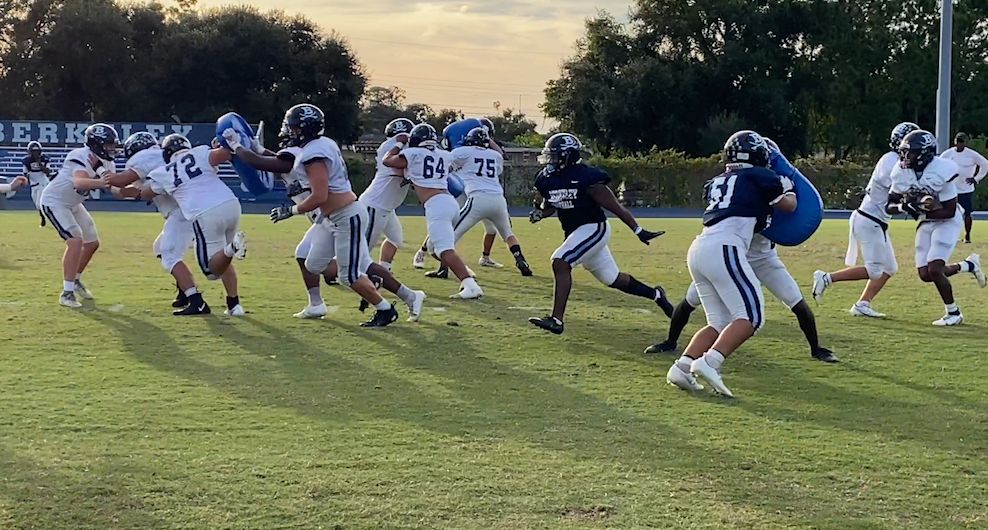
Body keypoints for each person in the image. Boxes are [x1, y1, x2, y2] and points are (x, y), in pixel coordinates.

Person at [266, 104, 426, 326]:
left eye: (293, 128)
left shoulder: (313, 153)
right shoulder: (322, 144)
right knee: (312, 263)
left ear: (305, 129)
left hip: (346, 217)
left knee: (348, 275)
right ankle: (370, 280)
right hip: (331, 218)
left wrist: (291, 210)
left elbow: (320, 195)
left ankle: (385, 309)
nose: (290, 132)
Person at [665, 130, 797, 398]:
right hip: (725, 247)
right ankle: (711, 361)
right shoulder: (761, 176)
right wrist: (788, 187)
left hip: (699, 248)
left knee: (719, 321)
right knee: (752, 317)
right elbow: (789, 206)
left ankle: (683, 366)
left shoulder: (717, 181)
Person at [527, 133, 674, 335]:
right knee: (612, 279)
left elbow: (615, 207)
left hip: (594, 228)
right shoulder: (546, 179)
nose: (551, 160)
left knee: (560, 261)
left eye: (555, 156)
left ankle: (556, 320)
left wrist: (638, 230)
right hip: (575, 233)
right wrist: (540, 214)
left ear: (568, 156)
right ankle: (657, 294)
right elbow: (552, 206)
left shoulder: (588, 178)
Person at [648, 232, 838, 363]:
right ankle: (671, 341)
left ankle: (816, 348)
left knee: (797, 302)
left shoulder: (771, 189)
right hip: (730, 257)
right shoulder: (746, 193)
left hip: (764, 259)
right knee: (690, 300)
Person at [224, 126, 347, 319]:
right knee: (305, 256)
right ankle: (316, 304)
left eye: (293, 129)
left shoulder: (302, 155)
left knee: (351, 268)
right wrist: (256, 148)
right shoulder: (302, 154)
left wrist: (236, 145)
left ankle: (393, 289)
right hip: (324, 217)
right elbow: (275, 159)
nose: (287, 134)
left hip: (333, 216)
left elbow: (261, 163)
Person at [811, 122, 918, 317]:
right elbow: (900, 188)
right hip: (869, 219)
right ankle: (826, 278)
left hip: (877, 220)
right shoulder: (890, 160)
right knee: (875, 270)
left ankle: (862, 304)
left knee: (889, 268)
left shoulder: (899, 162)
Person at [141, 134, 247, 316]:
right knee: (222, 258)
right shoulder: (201, 152)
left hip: (204, 212)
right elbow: (226, 154)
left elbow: (145, 193)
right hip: (231, 204)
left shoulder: (165, 171)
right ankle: (234, 305)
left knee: (212, 270)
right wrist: (224, 142)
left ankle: (232, 248)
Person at [887, 130, 985, 326]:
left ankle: (954, 313)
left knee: (934, 268)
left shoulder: (943, 169)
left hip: (947, 221)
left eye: (911, 152)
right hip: (927, 221)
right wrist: (903, 207)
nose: (906, 157)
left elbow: (948, 211)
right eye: (904, 152)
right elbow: (889, 205)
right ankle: (968, 265)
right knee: (925, 274)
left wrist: (918, 210)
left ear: (925, 153)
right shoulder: (901, 171)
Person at [384, 123, 484, 299]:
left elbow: (388, 160)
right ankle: (463, 271)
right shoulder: (444, 155)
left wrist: (399, 144)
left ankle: (470, 284)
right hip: (450, 202)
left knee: (445, 249)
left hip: (436, 205)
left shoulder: (412, 153)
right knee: (435, 248)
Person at [102, 132, 199, 312]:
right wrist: (117, 189)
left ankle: (195, 300)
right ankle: (185, 289)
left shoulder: (145, 157)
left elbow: (124, 182)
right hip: (190, 206)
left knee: (169, 254)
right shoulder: (160, 157)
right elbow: (130, 190)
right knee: (160, 247)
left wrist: (103, 177)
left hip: (182, 211)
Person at [425, 126, 532, 278]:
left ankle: (446, 269)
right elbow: (497, 159)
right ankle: (521, 260)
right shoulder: (495, 155)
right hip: (498, 200)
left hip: (477, 198)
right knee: (508, 234)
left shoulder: (462, 152)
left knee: (450, 236)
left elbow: (446, 164)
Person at [39, 124, 117, 308]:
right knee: (75, 241)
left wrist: (137, 191)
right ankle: (66, 293)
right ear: (96, 144)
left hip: (73, 204)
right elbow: (80, 182)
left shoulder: (108, 163)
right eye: (108, 144)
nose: (112, 148)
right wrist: (101, 181)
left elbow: (115, 188)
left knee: (92, 243)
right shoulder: (80, 155)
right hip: (55, 201)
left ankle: (75, 279)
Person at [413, 117, 502, 269]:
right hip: (463, 188)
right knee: (448, 223)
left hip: (480, 192)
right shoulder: (465, 150)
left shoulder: (477, 150)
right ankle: (422, 251)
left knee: (492, 228)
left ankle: (485, 257)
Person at [360, 118, 414, 271]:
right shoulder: (390, 147)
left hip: (387, 208)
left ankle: (384, 269)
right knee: (363, 250)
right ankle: (336, 272)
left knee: (396, 239)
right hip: (375, 206)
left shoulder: (401, 147)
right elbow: (400, 170)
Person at [940, 132, 987, 244]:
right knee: (948, 213)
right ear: (954, 141)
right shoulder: (948, 153)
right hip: (951, 189)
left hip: (965, 189)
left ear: (965, 143)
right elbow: (938, 164)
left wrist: (976, 178)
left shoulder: (972, 154)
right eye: (957, 141)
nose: (959, 144)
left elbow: (985, 164)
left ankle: (967, 235)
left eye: (961, 141)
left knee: (967, 213)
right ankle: (948, 236)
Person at [20, 141, 52, 227]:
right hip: (34, 183)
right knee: (36, 204)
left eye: (37, 151)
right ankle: (43, 217)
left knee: (39, 203)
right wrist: (25, 180)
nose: (35, 153)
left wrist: (39, 163)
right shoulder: (26, 161)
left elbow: (48, 172)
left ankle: (46, 218)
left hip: (43, 181)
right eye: (33, 151)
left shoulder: (44, 159)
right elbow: (25, 173)